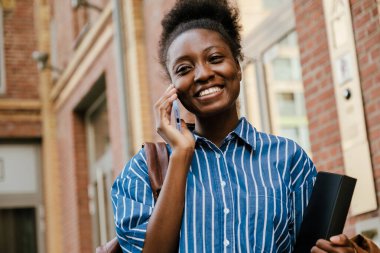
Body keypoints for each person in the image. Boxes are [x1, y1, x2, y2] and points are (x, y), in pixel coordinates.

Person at [111, 0, 356, 252]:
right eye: (184, 68)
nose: (203, 74)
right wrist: (181, 155)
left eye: (215, 58)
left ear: (238, 67)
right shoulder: (144, 169)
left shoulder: (289, 159)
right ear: (172, 87)